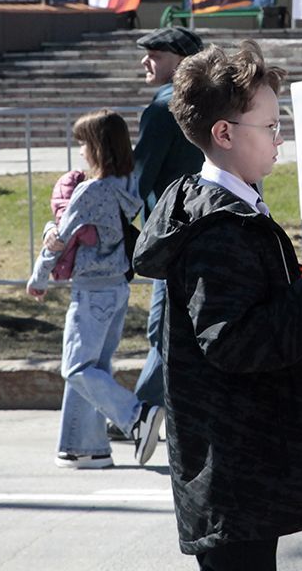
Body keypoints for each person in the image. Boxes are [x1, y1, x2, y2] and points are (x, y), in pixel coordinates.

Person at [132, 41, 302, 569]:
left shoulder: (229, 208)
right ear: (225, 133)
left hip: (243, 465)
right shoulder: (219, 227)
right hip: (234, 467)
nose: (281, 138)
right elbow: (233, 341)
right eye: (270, 126)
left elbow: (248, 299)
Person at [25, 109, 163, 470]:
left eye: (84, 143)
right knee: (95, 367)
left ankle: (135, 415)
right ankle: (85, 447)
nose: (81, 151)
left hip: (91, 291)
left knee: (76, 368)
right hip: (117, 289)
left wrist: (39, 277)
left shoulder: (91, 190)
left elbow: (60, 238)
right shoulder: (128, 184)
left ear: (98, 147)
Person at [129, 26, 206, 422]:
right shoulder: (214, 101)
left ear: (182, 62)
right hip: (212, 229)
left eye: (156, 55)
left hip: (171, 235)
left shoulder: (164, 108)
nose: (146, 61)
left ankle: (142, 413)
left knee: (164, 328)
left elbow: (138, 178)